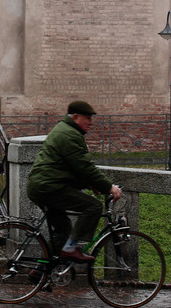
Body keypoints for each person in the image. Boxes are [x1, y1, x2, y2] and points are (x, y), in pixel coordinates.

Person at [27, 100, 122, 263]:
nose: (91, 123)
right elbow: (84, 167)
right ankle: (71, 249)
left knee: (63, 230)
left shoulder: (65, 130)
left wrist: (89, 184)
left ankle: (42, 270)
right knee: (93, 206)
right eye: (88, 118)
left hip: (42, 185)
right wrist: (108, 187)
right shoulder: (70, 135)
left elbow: (69, 167)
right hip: (50, 187)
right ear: (76, 117)